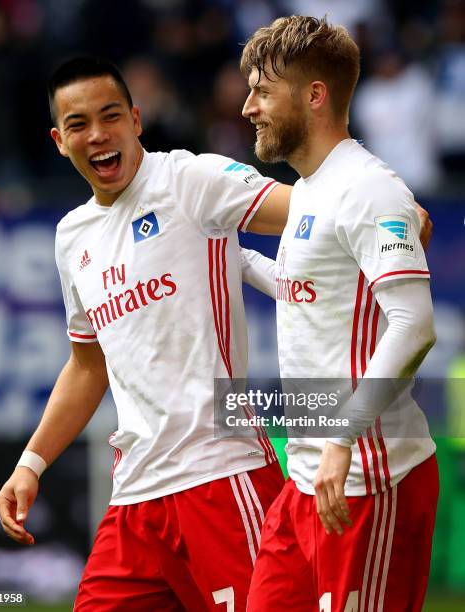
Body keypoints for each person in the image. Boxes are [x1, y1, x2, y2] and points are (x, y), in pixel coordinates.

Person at [0, 56, 293, 612]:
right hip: (135, 499)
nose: (98, 135)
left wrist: (382, 213)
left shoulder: (188, 179)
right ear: (60, 141)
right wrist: (29, 465)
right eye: (79, 125)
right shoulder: (72, 237)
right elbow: (88, 365)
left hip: (221, 478)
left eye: (110, 116)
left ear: (136, 119)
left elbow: (304, 212)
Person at [240, 15, 438, 611]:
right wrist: (231, 257)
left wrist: (341, 439)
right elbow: (308, 291)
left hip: (369, 479)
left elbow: (414, 324)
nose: (248, 106)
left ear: (315, 96)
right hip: (308, 479)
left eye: (262, 91)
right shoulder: (310, 190)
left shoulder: (368, 188)